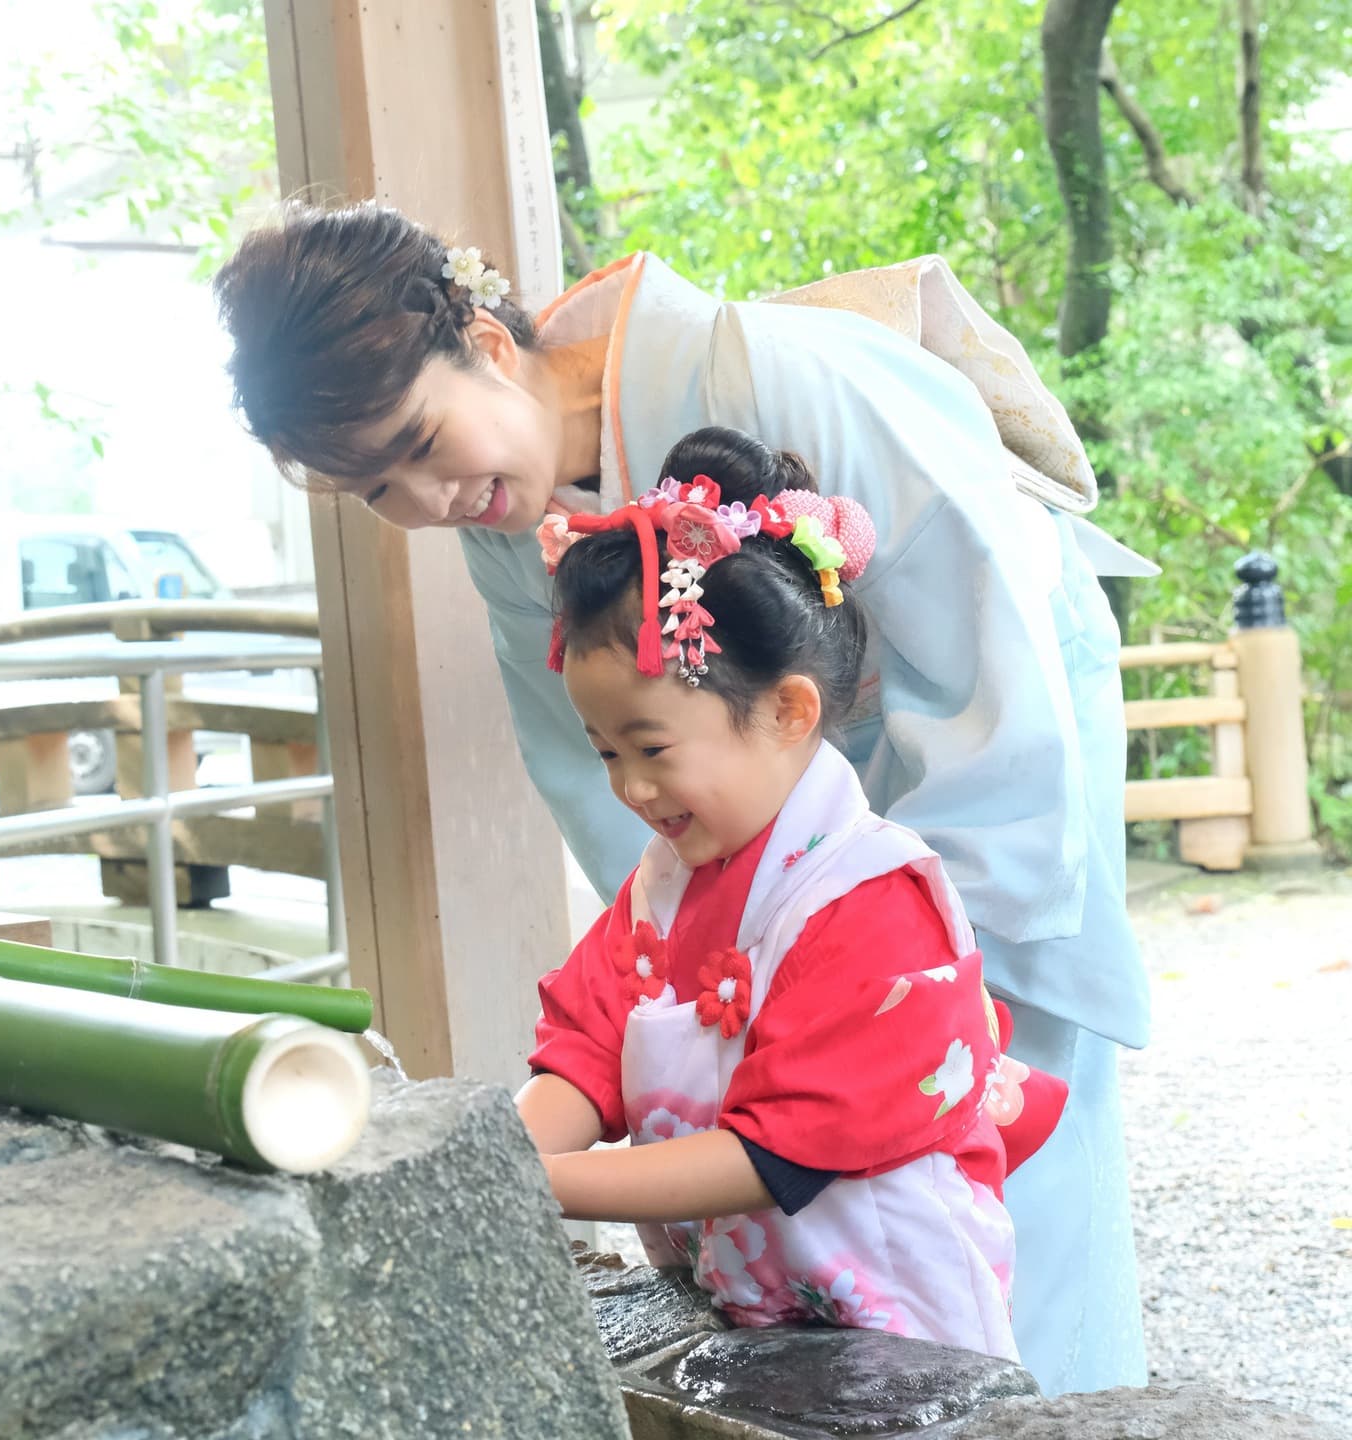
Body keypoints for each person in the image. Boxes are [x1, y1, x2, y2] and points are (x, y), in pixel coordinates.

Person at [213, 202, 1151, 1392]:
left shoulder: (766, 373)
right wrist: (699, 971)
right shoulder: (503, 516)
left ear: (488, 347)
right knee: (787, 1130)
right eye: (374, 488)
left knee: (975, 1115)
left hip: (991, 707)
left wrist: (924, 959)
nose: (425, 500)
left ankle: (1060, 1395)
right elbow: (595, 769)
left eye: (419, 442)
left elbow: (984, 642)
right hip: (748, 772)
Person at [521, 425, 1068, 1358]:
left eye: (651, 748)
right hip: (746, 1309)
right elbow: (587, 1047)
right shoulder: (663, 890)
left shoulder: (874, 898)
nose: (631, 789)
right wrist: (506, 1151)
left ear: (787, 711)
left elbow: (778, 1150)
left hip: (898, 1326)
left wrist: (537, 1183)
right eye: (605, 752)